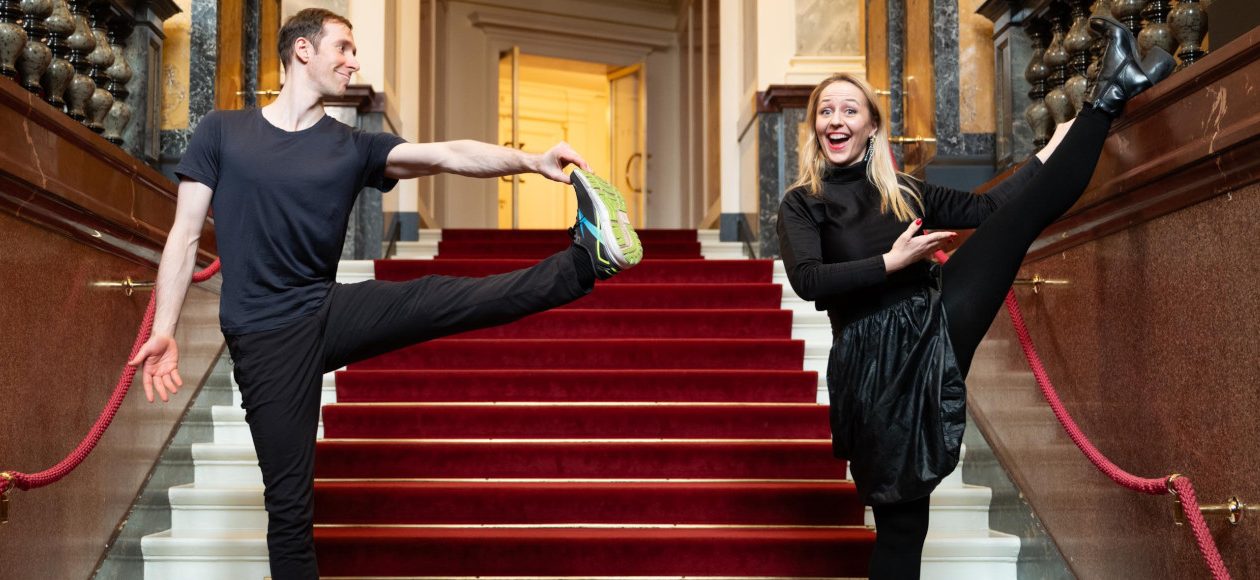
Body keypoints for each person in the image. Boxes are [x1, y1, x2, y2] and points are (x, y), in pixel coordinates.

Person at [126, 8, 642, 579]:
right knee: (290, 513)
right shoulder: (222, 133)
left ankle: (583, 263)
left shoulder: (351, 145)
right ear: (302, 50)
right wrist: (165, 328)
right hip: (265, 340)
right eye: (342, 48)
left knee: (445, 298)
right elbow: (183, 235)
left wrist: (532, 161)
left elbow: (448, 154)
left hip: (326, 308)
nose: (354, 61)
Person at [776, 16, 1172, 579]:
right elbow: (809, 282)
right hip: (873, 362)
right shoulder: (802, 202)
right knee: (903, 525)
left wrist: (1055, 144)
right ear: (815, 126)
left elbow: (990, 210)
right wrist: (893, 262)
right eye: (826, 110)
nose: (835, 119)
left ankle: (1107, 97)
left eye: (849, 109)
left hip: (931, 323)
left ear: (871, 126)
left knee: (1017, 219)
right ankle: (1116, 88)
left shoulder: (903, 189)